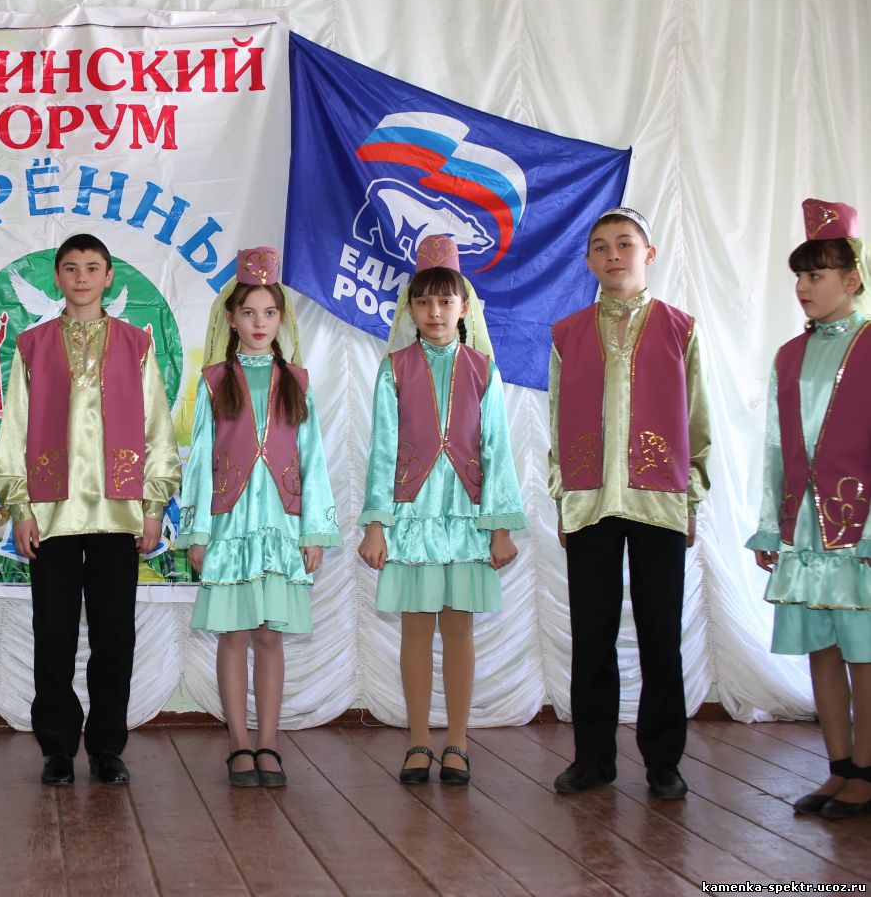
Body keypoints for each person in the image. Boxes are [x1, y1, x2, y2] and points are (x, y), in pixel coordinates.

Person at [0, 233, 181, 785]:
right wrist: (20, 507)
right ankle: (55, 747)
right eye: (70, 267)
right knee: (52, 632)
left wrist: (152, 506)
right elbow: (14, 434)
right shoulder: (32, 345)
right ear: (56, 276)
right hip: (51, 515)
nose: (80, 277)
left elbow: (157, 430)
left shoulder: (135, 345)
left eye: (91, 267)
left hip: (118, 514)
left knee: (114, 634)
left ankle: (105, 746)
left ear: (109, 276)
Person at [548, 207, 710, 800]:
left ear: (650, 253)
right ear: (588, 260)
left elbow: (697, 418)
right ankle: (593, 758)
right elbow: (558, 419)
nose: (612, 254)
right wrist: (565, 493)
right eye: (599, 246)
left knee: (659, 633)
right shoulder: (567, 332)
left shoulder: (679, 328)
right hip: (590, 500)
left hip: (659, 499)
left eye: (624, 243)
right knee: (591, 632)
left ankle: (664, 760)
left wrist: (691, 492)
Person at [357, 235, 524, 786]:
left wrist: (499, 527)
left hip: (467, 514)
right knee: (415, 627)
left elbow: (497, 449)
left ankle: (456, 740)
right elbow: (383, 448)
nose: (434, 313)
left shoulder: (483, 368)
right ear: (410, 308)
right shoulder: (394, 369)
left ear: (463, 307)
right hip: (412, 515)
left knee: (458, 628)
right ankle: (418, 741)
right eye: (423, 302)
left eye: (445, 301)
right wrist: (377, 524)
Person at [178, 246, 338, 787]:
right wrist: (198, 529)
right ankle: (238, 743)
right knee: (234, 633)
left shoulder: (298, 379)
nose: (259, 322)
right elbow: (201, 457)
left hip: (281, 526)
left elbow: (313, 459)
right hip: (229, 525)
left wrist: (313, 528)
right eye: (248, 312)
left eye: (269, 312)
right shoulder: (214, 381)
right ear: (231, 318)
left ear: (281, 319)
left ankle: (269, 742)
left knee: (270, 635)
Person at [750, 198, 871, 818]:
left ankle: (869, 773)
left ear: (853, 277)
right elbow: (777, 443)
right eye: (799, 275)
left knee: (863, 648)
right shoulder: (789, 356)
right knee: (822, 647)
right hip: (806, 524)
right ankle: (840, 767)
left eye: (816, 274)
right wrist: (772, 522)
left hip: (859, 528)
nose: (803, 287)